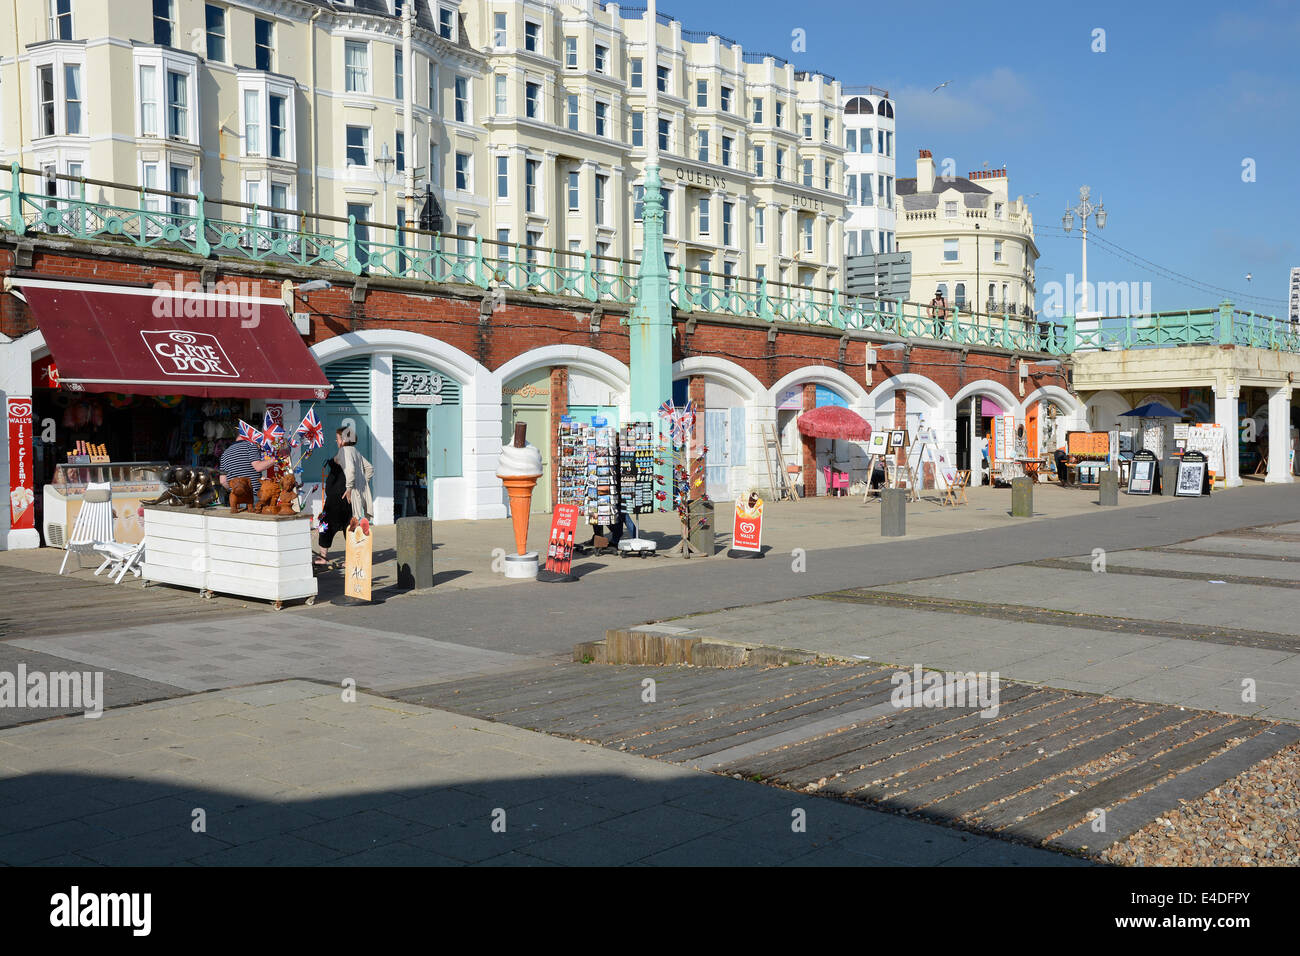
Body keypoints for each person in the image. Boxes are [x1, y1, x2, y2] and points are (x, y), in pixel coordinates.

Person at [334, 426, 374, 527]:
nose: (336, 441)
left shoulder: (344, 451)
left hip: (350, 492)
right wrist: (363, 482)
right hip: (360, 491)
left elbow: (350, 469)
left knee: (351, 523)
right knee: (355, 521)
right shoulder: (355, 451)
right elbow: (369, 468)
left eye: (337, 438)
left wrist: (349, 488)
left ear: (343, 440)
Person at [315, 456, 350, 567]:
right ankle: (323, 557)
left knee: (348, 529)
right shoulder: (339, 466)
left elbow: (338, 459)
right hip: (332, 501)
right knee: (324, 527)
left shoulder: (346, 458)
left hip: (341, 501)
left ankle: (350, 559)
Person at [218, 435, 275, 501]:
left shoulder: (225, 453)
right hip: (252, 497)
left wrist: (233, 490)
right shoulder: (250, 446)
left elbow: (222, 481)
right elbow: (258, 467)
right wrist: (277, 458)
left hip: (236, 499)